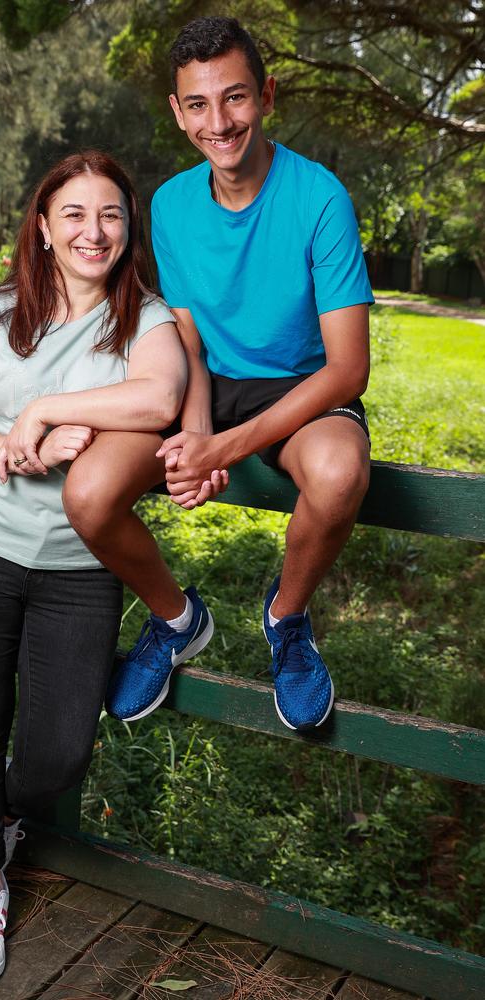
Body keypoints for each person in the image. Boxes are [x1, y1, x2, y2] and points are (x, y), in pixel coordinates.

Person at [0, 150, 208, 982]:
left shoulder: (147, 320)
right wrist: (33, 450)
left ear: (128, 231)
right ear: (42, 228)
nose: (93, 230)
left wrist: (42, 410)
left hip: (78, 570)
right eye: (73, 214)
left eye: (110, 215)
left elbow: (155, 400)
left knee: (60, 753)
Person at [82, 16, 373, 733]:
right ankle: (176, 620)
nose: (221, 121)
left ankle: (287, 619)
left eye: (236, 98)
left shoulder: (320, 198)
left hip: (304, 390)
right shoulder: (173, 204)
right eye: (200, 104)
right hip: (202, 383)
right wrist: (198, 427)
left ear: (266, 97)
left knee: (338, 478)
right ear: (180, 114)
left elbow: (349, 369)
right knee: (88, 493)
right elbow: (190, 340)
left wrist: (226, 450)